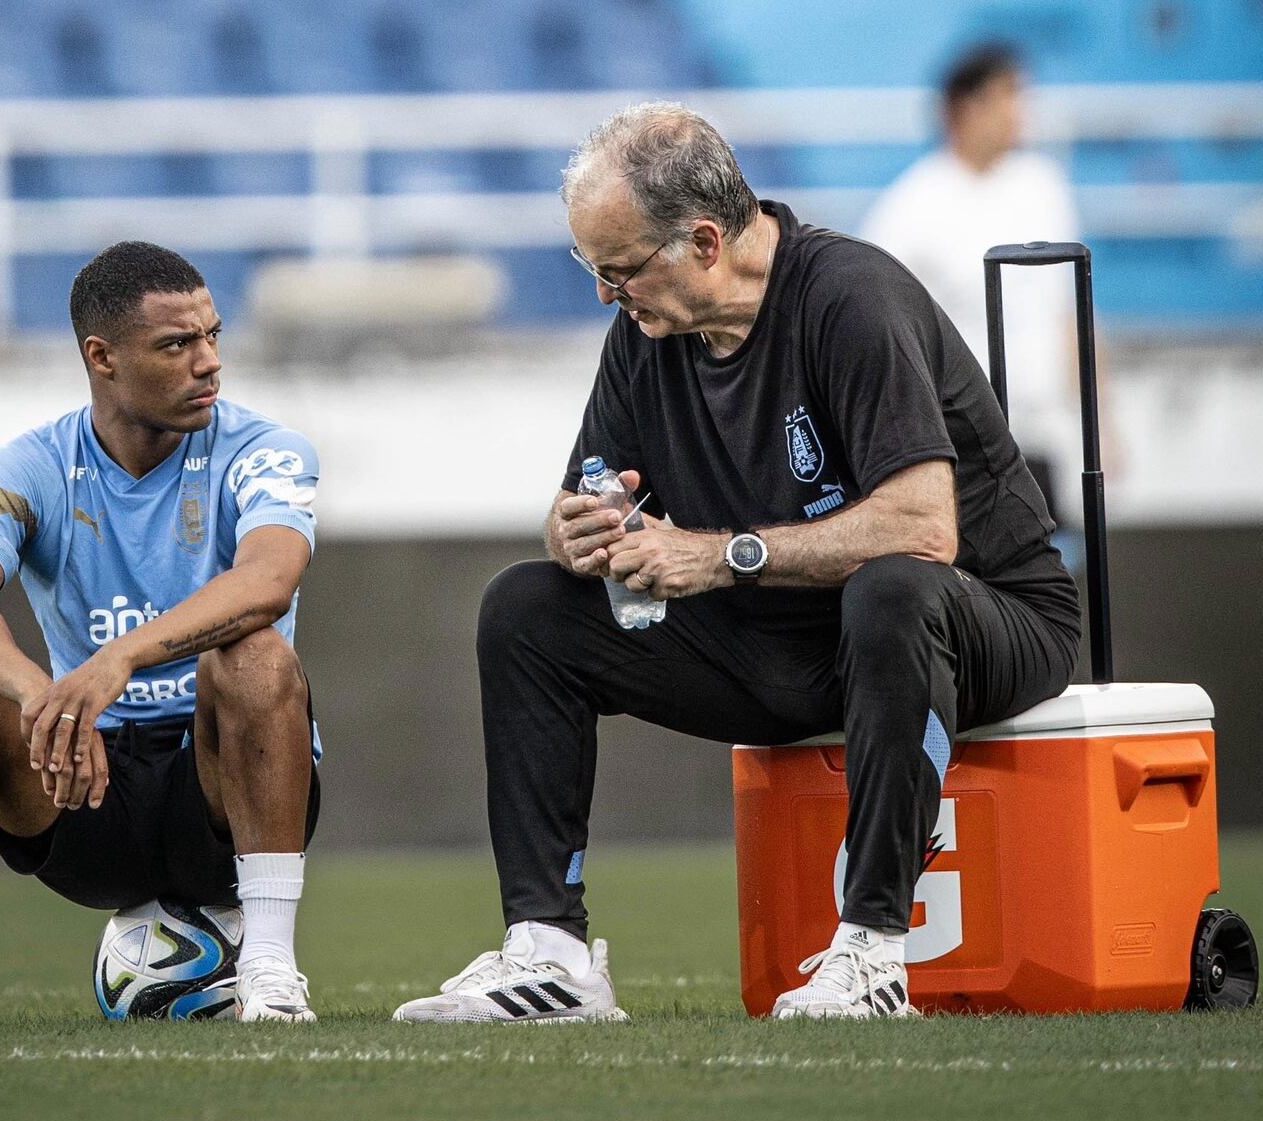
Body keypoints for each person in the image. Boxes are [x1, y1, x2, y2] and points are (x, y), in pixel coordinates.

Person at [393, 103, 1081, 1024]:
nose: (605, 294)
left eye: (618, 269)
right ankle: (550, 954)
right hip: (789, 639)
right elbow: (591, 502)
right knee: (524, 607)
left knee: (891, 589)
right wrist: (579, 535)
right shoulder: (645, 339)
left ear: (705, 242)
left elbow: (924, 530)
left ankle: (872, 953)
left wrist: (720, 556)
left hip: (986, 618)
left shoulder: (849, 297)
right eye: (589, 268)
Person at [0, 241, 324, 1030]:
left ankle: (270, 970)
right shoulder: (29, 465)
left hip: (222, 786)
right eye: (177, 344)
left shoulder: (265, 450)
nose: (209, 364)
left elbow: (269, 580)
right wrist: (35, 692)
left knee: (255, 654)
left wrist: (118, 657)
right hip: (82, 782)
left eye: (213, 337)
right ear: (103, 357)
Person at [859, 42, 1083, 535]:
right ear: (965, 108)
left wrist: (1098, 416)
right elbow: (877, 327)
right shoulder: (911, 208)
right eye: (1008, 96)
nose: (1020, 112)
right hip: (970, 441)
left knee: (1059, 583)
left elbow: (1069, 309)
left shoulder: (1042, 184)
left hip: (1046, 433)